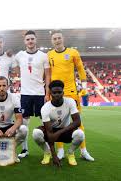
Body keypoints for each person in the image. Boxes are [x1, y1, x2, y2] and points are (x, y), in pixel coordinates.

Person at [47, 30, 94, 161]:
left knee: (78, 122)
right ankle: (60, 150)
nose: (57, 40)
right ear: (52, 41)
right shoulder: (49, 55)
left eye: (59, 38)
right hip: (55, 94)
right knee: (57, 122)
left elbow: (80, 69)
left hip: (71, 92)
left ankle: (83, 151)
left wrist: (84, 88)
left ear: (63, 39)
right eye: (54, 38)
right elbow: (48, 74)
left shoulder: (73, 52)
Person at [13, 30, 51, 158]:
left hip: (40, 93)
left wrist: (47, 93)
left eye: (32, 39)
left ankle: (48, 150)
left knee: (45, 122)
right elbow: (15, 67)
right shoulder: (19, 55)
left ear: (36, 40)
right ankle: (25, 150)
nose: (30, 41)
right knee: (23, 124)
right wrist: (20, 74)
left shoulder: (43, 56)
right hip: (25, 94)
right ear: (25, 41)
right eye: (28, 39)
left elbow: (48, 75)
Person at [32, 80, 85, 166]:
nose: (57, 95)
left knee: (80, 134)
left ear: (63, 92)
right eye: (54, 92)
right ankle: (47, 153)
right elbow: (49, 133)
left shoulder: (70, 102)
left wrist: (59, 132)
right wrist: (54, 155)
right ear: (50, 93)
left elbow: (77, 122)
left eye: (59, 92)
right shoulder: (45, 108)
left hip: (65, 131)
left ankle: (70, 153)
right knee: (36, 133)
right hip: (51, 132)